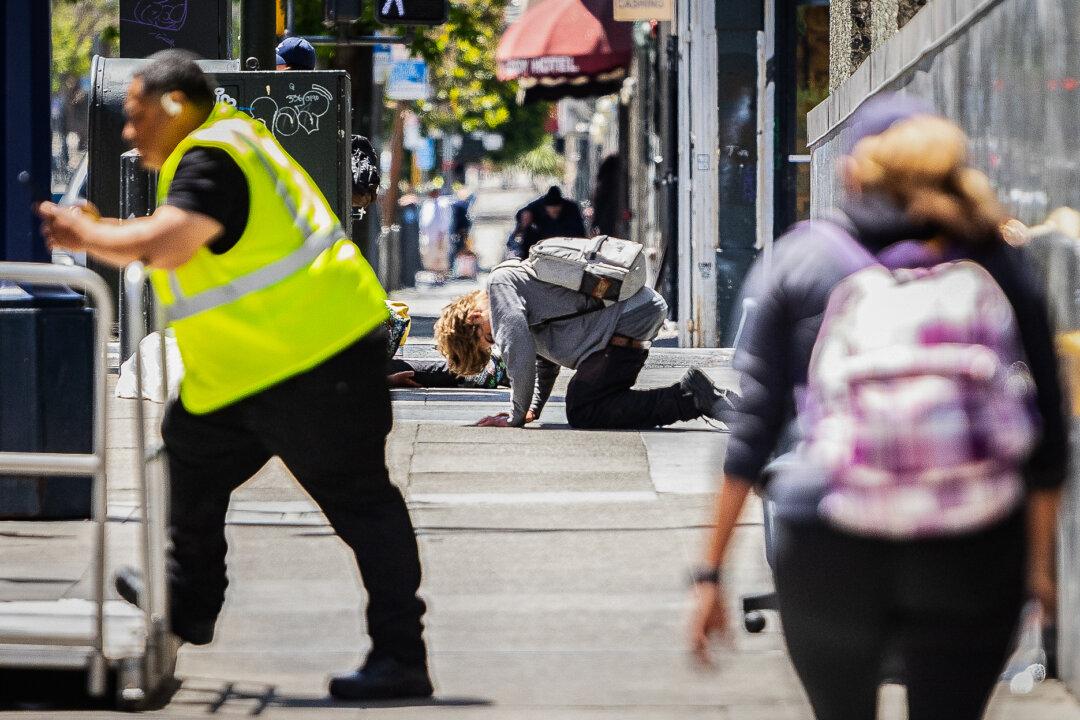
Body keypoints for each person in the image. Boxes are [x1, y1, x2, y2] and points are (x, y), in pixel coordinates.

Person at [35, 50, 432, 701]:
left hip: (315, 358)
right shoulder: (234, 138)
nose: (129, 133)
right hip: (260, 367)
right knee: (188, 449)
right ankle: (191, 600)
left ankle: (400, 656)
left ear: (171, 106)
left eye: (136, 117)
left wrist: (87, 234)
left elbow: (171, 241)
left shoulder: (212, 154)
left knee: (361, 503)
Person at [687, 97, 1067, 720]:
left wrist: (710, 575)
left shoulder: (802, 259)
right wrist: (1039, 569)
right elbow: (1047, 435)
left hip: (827, 535)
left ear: (851, 172)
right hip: (971, 541)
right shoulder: (997, 261)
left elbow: (750, 433)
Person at [432, 272, 727, 430]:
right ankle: (694, 397)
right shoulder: (513, 299)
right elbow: (543, 360)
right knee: (595, 405)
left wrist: (516, 415)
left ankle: (692, 398)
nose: (497, 342)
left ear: (473, 318)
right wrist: (534, 408)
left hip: (628, 316)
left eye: (488, 338)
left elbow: (518, 351)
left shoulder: (500, 288)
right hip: (625, 322)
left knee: (584, 408)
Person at [508, 186, 587, 259]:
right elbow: (522, 213)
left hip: (565, 246)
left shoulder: (571, 208)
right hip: (541, 244)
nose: (553, 211)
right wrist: (524, 215)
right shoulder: (538, 205)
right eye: (551, 209)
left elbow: (580, 231)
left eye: (556, 209)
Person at [418, 185, 452, 276]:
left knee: (440, 255)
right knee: (428, 255)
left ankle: (441, 275)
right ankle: (433, 274)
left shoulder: (443, 203)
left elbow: (446, 219)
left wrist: (442, 232)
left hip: (440, 234)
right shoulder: (427, 204)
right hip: (428, 235)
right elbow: (423, 218)